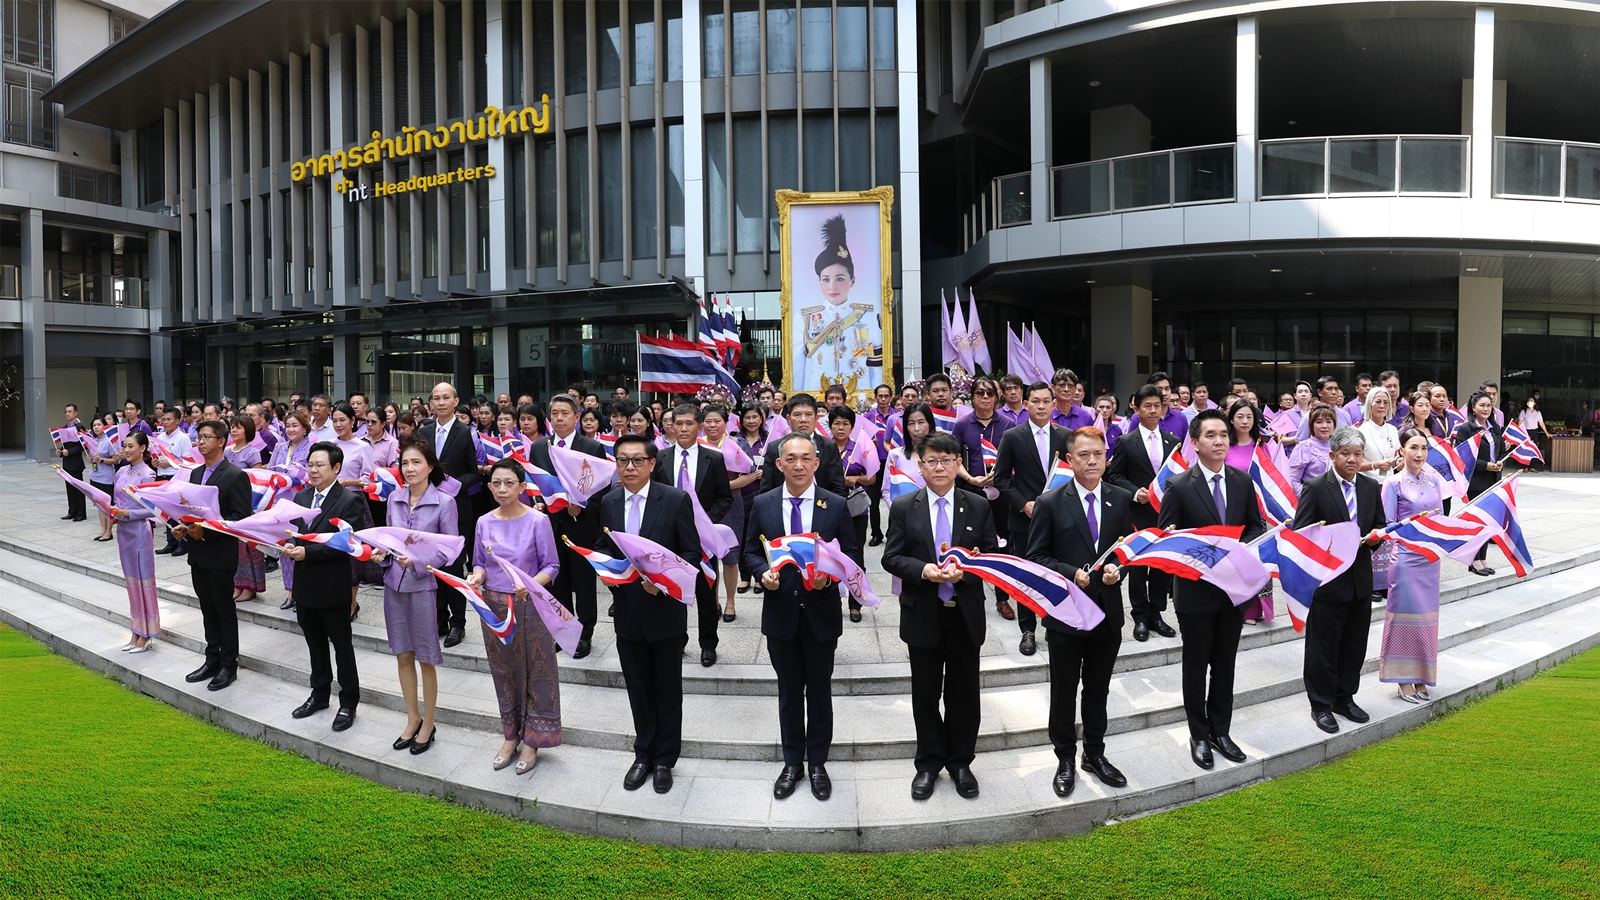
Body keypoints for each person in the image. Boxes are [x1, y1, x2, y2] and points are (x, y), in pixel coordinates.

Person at [882, 432, 999, 801]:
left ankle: (961, 762)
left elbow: (992, 558)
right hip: (923, 613)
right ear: (920, 465)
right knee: (926, 693)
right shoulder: (904, 506)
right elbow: (891, 557)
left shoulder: (977, 505)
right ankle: (929, 764)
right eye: (932, 460)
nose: (940, 467)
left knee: (965, 693)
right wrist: (924, 571)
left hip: (964, 613)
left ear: (958, 464)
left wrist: (968, 570)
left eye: (947, 459)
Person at [743, 432, 857, 801]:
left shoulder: (835, 505)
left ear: (816, 462)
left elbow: (851, 558)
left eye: (805, 458)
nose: (798, 465)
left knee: (820, 691)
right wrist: (762, 573)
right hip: (781, 614)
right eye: (790, 458)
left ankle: (818, 763)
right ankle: (792, 762)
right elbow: (750, 552)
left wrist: (830, 577)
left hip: (821, 614)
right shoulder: (762, 503)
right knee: (790, 693)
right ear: (778, 464)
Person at [1026, 426, 1133, 797]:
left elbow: (1124, 551)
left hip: (1107, 613)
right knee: (1064, 689)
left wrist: (1118, 568)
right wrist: (1071, 574)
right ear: (1069, 459)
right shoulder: (1051, 502)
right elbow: (1036, 557)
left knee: (1098, 689)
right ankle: (1065, 757)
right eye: (1084, 455)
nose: (1092, 461)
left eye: (1098, 455)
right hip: (1067, 614)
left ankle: (1095, 753)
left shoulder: (1120, 500)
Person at [1158, 408, 1266, 770]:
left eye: (1224, 434)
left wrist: (1238, 548)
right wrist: (1210, 553)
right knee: (1196, 664)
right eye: (1211, 435)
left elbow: (1255, 526)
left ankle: (1222, 730)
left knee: (1225, 664)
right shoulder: (1179, 485)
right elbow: (1168, 539)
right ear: (1195, 442)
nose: (1220, 441)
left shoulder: (1241, 481)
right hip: (1196, 590)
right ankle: (1199, 734)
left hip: (1233, 591)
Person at [600, 434, 701, 795]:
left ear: (652, 464)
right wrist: (604, 569)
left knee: (667, 689)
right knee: (638, 688)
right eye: (623, 461)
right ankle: (642, 753)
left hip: (665, 612)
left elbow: (691, 554)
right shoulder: (609, 502)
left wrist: (662, 582)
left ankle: (664, 759)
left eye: (637, 460)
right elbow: (603, 548)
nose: (629, 467)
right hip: (627, 612)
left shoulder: (674, 500)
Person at [468, 458, 563, 774]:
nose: (502, 488)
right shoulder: (484, 522)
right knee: (503, 669)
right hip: (494, 606)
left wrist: (530, 585)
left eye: (509, 482)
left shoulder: (538, 521)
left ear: (523, 487)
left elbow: (552, 566)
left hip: (530, 605)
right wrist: (477, 576)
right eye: (496, 482)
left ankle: (533, 740)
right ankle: (510, 735)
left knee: (537, 669)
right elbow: (480, 561)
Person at [1292, 427, 1385, 734]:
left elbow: (1380, 527)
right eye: (1345, 453)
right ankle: (1320, 704)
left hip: (1360, 580)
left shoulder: (1370, 487)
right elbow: (1301, 535)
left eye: (1358, 454)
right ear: (1332, 455)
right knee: (1323, 645)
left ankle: (1345, 698)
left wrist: (1374, 539)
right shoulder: (1316, 488)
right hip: (1327, 582)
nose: (1352, 459)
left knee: (1354, 644)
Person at [375, 437, 457, 756]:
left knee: (425, 657)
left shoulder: (445, 502)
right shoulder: (394, 498)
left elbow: (448, 551)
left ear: (430, 466)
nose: (409, 469)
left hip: (423, 588)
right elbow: (388, 540)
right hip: (394, 585)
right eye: (405, 463)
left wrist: (420, 561)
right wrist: (379, 554)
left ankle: (429, 722)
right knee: (402, 655)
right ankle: (412, 718)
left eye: (416, 463)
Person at [281, 442, 365, 731]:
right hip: (304, 585)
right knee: (314, 645)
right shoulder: (302, 496)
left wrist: (308, 553)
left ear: (336, 468)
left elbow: (346, 544)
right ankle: (319, 695)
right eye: (310, 465)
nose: (313, 470)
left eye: (319, 465)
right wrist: (290, 544)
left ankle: (348, 703)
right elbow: (294, 532)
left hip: (332, 586)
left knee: (342, 647)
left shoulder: (349, 501)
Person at [525, 394, 610, 659]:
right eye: (555, 413)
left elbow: (600, 489)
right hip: (550, 523)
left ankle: (585, 633)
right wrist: (538, 502)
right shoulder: (540, 447)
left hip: (581, 525)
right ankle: (564, 630)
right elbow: (536, 482)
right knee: (556, 580)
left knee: (583, 582)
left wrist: (582, 506)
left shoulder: (591, 447)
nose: (559, 418)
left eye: (565, 413)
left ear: (576, 417)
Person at [172, 420, 252, 692]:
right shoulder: (195, 474)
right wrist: (185, 527)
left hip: (220, 554)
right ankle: (212, 659)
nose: (202, 442)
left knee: (223, 610)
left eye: (207, 437)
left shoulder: (234, 475)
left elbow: (239, 519)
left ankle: (229, 664)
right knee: (207, 609)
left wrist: (204, 533)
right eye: (199, 437)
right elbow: (194, 511)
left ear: (221, 441)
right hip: (198, 554)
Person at [993, 382, 1071, 656]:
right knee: (1027, 575)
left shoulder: (1066, 435)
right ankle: (1028, 629)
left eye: (1045, 401)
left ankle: (1053, 622)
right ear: (1025, 404)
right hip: (1025, 520)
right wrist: (1022, 504)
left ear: (1053, 403)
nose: (1041, 406)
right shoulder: (1013, 436)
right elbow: (1001, 478)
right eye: (1035, 401)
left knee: (1056, 572)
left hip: (1060, 519)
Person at [653, 403, 733, 666]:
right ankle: (677, 640)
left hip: (702, 540)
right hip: (669, 539)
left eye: (689, 424)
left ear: (699, 427)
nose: (684, 428)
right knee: (672, 592)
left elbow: (724, 497)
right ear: (671, 426)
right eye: (679, 423)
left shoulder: (715, 458)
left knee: (705, 595)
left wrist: (705, 523)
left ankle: (708, 644)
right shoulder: (660, 457)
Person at [1106, 385, 1182, 642]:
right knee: (1138, 567)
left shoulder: (1173, 442)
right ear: (1136, 408)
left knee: (1161, 565)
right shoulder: (1125, 442)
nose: (1152, 410)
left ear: (1163, 408)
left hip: (1165, 515)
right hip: (1137, 513)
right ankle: (1139, 616)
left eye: (1157, 405)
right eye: (1146, 406)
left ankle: (1156, 614)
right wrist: (1132, 492)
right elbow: (1114, 475)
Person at [1382, 429, 1449, 703]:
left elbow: (1442, 520)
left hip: (1429, 559)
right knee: (1404, 618)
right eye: (1413, 447)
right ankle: (1402, 678)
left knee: (1426, 619)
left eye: (1423, 448)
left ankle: (1421, 676)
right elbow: (1388, 526)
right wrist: (1412, 526)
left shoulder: (1434, 481)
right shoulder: (1393, 484)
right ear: (1402, 450)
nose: (1419, 453)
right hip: (1406, 558)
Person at [416, 382, 484, 647]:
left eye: (446, 398)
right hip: (428, 510)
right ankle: (439, 619)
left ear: (456, 401)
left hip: (457, 510)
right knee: (432, 566)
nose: (441, 402)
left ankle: (458, 624)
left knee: (454, 568)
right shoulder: (424, 431)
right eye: (436, 398)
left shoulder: (466, 432)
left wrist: (454, 485)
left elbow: (473, 471)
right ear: (431, 403)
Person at [953, 375, 1015, 619]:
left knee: (1000, 547)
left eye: (990, 393)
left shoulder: (1008, 424)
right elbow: (955, 459)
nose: (985, 397)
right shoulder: (962, 424)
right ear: (973, 397)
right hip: (970, 491)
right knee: (966, 542)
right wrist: (970, 479)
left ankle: (1003, 598)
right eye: (980, 393)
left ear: (997, 397)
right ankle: (963, 592)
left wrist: (999, 476)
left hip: (1000, 493)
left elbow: (1014, 459)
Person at [795, 214, 881, 389]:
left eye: (840, 278)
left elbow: (875, 367)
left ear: (853, 281)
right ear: (819, 282)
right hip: (819, 397)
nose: (832, 286)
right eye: (826, 279)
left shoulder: (868, 317)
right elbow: (798, 369)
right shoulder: (805, 319)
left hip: (860, 396)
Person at [1220, 398, 1275, 626]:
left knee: (1255, 559)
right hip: (1230, 511)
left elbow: (1270, 478)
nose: (1245, 421)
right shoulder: (1224, 446)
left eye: (1249, 417)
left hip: (1256, 514)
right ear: (1231, 419)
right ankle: (1236, 608)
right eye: (1240, 416)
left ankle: (1254, 610)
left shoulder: (1261, 446)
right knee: (1234, 560)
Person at [703, 404, 758, 623]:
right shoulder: (697, 445)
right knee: (707, 556)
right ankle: (713, 600)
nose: (712, 425)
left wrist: (723, 486)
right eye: (708, 421)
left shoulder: (737, 444)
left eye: (717, 421)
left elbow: (750, 475)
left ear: (726, 423)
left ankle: (730, 602)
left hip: (731, 504)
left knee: (730, 556)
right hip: (703, 506)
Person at [109, 432, 161, 652]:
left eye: (131, 446)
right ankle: (136, 630)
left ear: (143, 448)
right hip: (123, 532)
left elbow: (152, 510)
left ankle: (147, 633)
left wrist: (126, 513)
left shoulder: (148, 475)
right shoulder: (121, 471)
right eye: (125, 446)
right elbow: (115, 500)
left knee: (142, 581)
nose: (127, 450)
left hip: (139, 532)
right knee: (131, 582)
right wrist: (110, 510)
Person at [1455, 390, 1506, 576]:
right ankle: (1473, 560)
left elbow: (1500, 450)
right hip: (1476, 482)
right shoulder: (1465, 429)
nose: (1486, 408)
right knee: (1476, 522)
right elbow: (1463, 458)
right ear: (1473, 407)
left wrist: (1500, 461)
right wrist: (1487, 465)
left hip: (1493, 481)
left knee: (1488, 522)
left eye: (1488, 405)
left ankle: (1482, 558)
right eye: (1482, 405)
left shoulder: (1495, 427)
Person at [758, 395, 847, 495]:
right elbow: (766, 490)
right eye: (797, 415)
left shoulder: (829, 446)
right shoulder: (774, 448)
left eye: (808, 414)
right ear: (788, 418)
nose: (803, 419)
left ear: (816, 417)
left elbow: (839, 489)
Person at [269, 409, 313, 610]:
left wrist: (297, 474)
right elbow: (270, 471)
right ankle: (290, 592)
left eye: (295, 425)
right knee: (284, 546)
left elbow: (313, 476)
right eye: (287, 425)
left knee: (301, 546)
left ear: (305, 427)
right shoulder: (279, 447)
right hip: (280, 504)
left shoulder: (312, 447)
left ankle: (303, 592)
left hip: (302, 502)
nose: (291, 429)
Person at [224, 415, 266, 603]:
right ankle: (237, 584)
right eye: (232, 427)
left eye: (238, 428)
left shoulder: (252, 453)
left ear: (247, 431)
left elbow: (258, 480)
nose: (233, 431)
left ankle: (250, 587)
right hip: (229, 503)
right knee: (234, 548)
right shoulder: (226, 451)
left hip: (248, 503)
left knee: (249, 546)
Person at [734, 403, 772, 597]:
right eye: (747, 417)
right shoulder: (735, 441)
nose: (751, 421)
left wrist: (762, 474)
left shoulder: (769, 441)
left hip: (763, 497)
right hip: (741, 497)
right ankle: (745, 576)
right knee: (741, 538)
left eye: (755, 417)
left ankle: (760, 575)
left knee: (761, 536)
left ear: (762, 419)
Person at [863, 384, 898, 545]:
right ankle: (876, 533)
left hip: (894, 463)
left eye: (886, 396)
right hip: (874, 463)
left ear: (891, 397)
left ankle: (893, 532)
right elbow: (860, 443)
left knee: (894, 498)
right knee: (874, 500)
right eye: (880, 396)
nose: (883, 399)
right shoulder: (868, 418)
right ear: (875, 397)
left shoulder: (897, 417)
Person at [1288, 404, 1338, 496]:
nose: (1324, 426)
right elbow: (1294, 481)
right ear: (1311, 425)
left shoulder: (1339, 447)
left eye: (1328, 421)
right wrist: (1309, 499)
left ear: (1334, 425)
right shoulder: (1303, 448)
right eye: (1319, 422)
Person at [364, 409, 399, 527]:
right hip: (363, 490)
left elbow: (395, 470)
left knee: (379, 525)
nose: (369, 425)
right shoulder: (360, 442)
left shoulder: (392, 443)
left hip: (381, 493)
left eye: (373, 422)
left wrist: (377, 471)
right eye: (367, 421)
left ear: (383, 423)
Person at [87, 418, 118, 542]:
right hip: (95, 475)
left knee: (107, 505)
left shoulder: (109, 441)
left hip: (106, 477)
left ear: (104, 426)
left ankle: (109, 532)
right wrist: (91, 459)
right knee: (99, 505)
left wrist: (102, 460)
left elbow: (116, 460)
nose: (96, 427)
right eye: (94, 425)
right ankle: (103, 530)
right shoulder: (93, 440)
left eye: (99, 424)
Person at [57, 403, 88, 521]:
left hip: (76, 461)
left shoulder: (79, 427)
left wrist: (69, 452)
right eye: (66, 412)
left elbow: (82, 446)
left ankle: (81, 513)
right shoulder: (65, 427)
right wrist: (60, 451)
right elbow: (65, 444)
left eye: (70, 411)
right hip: (67, 462)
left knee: (78, 488)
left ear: (76, 413)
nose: (67, 414)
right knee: (69, 488)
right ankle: (72, 511)